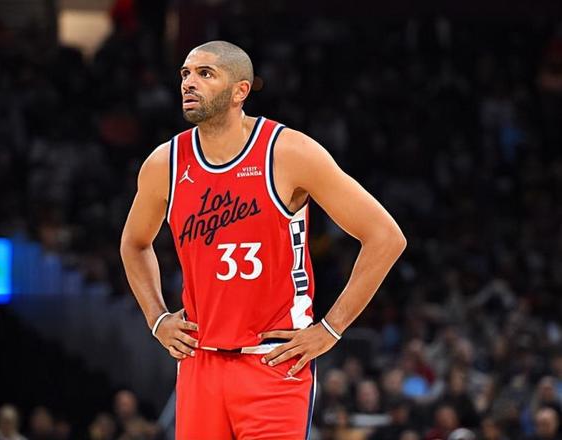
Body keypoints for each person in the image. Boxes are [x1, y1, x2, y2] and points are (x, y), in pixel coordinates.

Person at [120, 40, 406, 438]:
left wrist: (330, 328)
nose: (189, 82)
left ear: (240, 90)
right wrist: (157, 319)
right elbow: (134, 244)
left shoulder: (289, 151)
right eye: (185, 73)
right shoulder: (163, 164)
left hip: (272, 363)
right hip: (200, 361)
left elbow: (386, 237)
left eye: (205, 73)